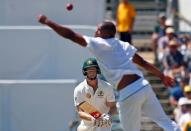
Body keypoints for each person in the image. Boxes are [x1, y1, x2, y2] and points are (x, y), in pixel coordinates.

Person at [37, 14, 180, 131]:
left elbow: (71, 35)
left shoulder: (99, 43)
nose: (95, 31)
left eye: (98, 29)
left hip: (129, 93)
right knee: (166, 122)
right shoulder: (123, 44)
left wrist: (48, 22)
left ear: (103, 32)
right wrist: (162, 76)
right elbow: (142, 62)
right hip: (143, 86)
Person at [74, 57, 123, 131]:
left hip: (104, 124)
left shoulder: (107, 87)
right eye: (89, 70)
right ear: (85, 72)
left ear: (97, 71)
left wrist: (108, 116)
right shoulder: (79, 89)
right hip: (87, 125)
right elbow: (80, 112)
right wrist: (93, 119)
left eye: (93, 70)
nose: (91, 73)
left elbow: (112, 107)